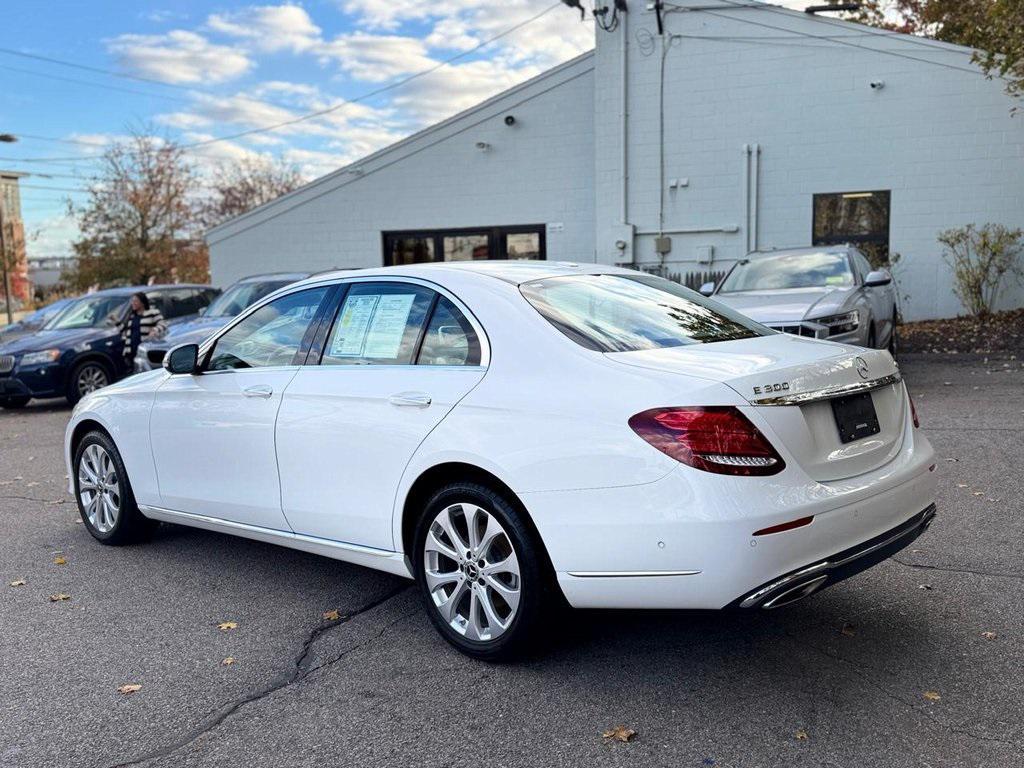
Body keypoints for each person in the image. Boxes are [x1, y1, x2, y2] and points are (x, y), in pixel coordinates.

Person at [120, 292, 166, 366]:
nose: (133, 303)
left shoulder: (152, 312)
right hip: (131, 351)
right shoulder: (132, 316)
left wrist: (155, 330)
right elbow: (125, 332)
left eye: (135, 301)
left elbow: (163, 324)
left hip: (143, 351)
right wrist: (116, 322)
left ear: (142, 302)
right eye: (132, 301)